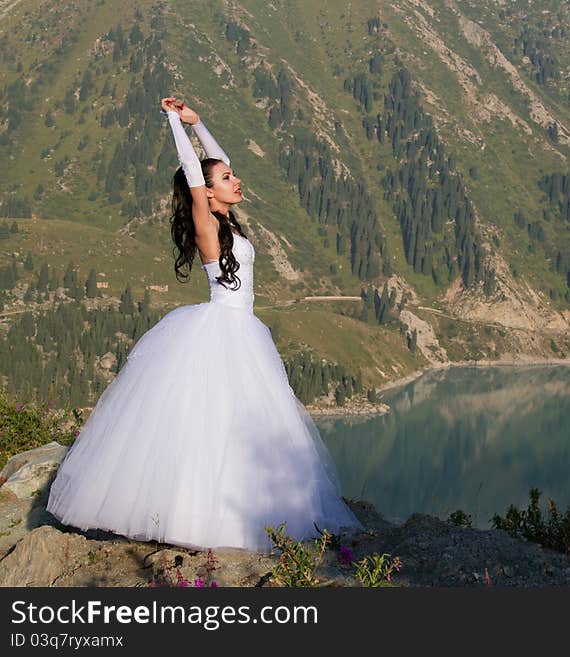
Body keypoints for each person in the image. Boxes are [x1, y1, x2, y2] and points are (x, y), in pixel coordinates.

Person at [46, 97, 362, 552]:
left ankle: (243, 505)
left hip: (242, 328)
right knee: (215, 420)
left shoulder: (225, 218)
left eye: (232, 176)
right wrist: (175, 124)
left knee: (241, 423)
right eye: (227, 180)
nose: (236, 179)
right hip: (224, 329)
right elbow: (197, 178)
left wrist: (200, 121)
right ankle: (206, 518)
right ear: (208, 193)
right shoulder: (207, 223)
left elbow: (216, 164)